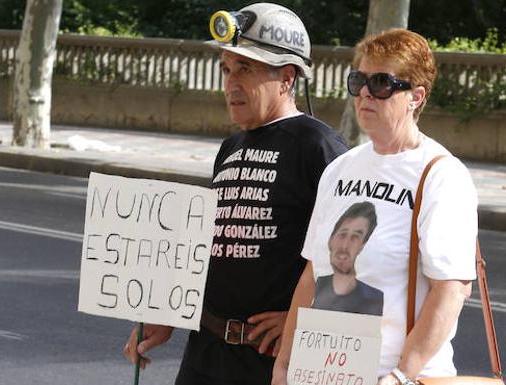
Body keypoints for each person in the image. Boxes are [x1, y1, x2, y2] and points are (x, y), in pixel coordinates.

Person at [123, 3, 348, 385]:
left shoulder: (320, 147)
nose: (231, 83)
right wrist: (166, 311)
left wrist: (304, 318)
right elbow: (212, 245)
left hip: (270, 361)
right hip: (206, 351)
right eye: (227, 69)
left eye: (246, 69)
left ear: (287, 77)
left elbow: (351, 251)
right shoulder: (230, 147)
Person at [273, 29, 477, 385]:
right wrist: (285, 363)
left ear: (416, 96)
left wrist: (401, 375)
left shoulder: (441, 174)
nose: (366, 92)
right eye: (359, 80)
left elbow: (452, 289)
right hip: (322, 373)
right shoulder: (339, 169)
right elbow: (311, 276)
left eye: (382, 83)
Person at [312, 201, 384, 316]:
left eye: (356, 237)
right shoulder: (315, 286)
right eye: (342, 234)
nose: (345, 245)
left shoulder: (375, 299)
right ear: (330, 240)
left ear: (362, 245)